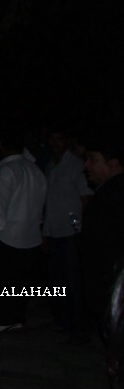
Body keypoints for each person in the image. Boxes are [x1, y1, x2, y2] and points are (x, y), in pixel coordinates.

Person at [0, 123, 47, 332]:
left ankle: (6, 320)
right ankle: (18, 318)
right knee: (21, 282)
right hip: (31, 236)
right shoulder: (35, 170)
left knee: (5, 281)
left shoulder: (7, 171)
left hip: (9, 237)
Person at [43, 129, 93, 341]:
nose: (55, 143)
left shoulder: (76, 165)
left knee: (73, 280)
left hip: (71, 232)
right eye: (52, 139)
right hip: (53, 230)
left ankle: (79, 326)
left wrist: (81, 228)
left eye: (59, 138)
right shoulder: (50, 165)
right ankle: (62, 321)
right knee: (57, 279)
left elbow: (86, 198)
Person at [82, 132, 124, 337]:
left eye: (94, 160)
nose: (87, 165)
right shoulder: (107, 191)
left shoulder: (115, 195)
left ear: (113, 164)